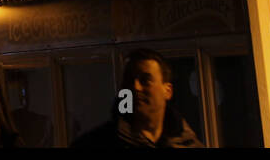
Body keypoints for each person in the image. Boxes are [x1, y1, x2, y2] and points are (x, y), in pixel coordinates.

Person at [72, 50, 204, 148]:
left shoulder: (189, 144)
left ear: (168, 91)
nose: (136, 87)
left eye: (145, 80)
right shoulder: (95, 143)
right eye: (129, 81)